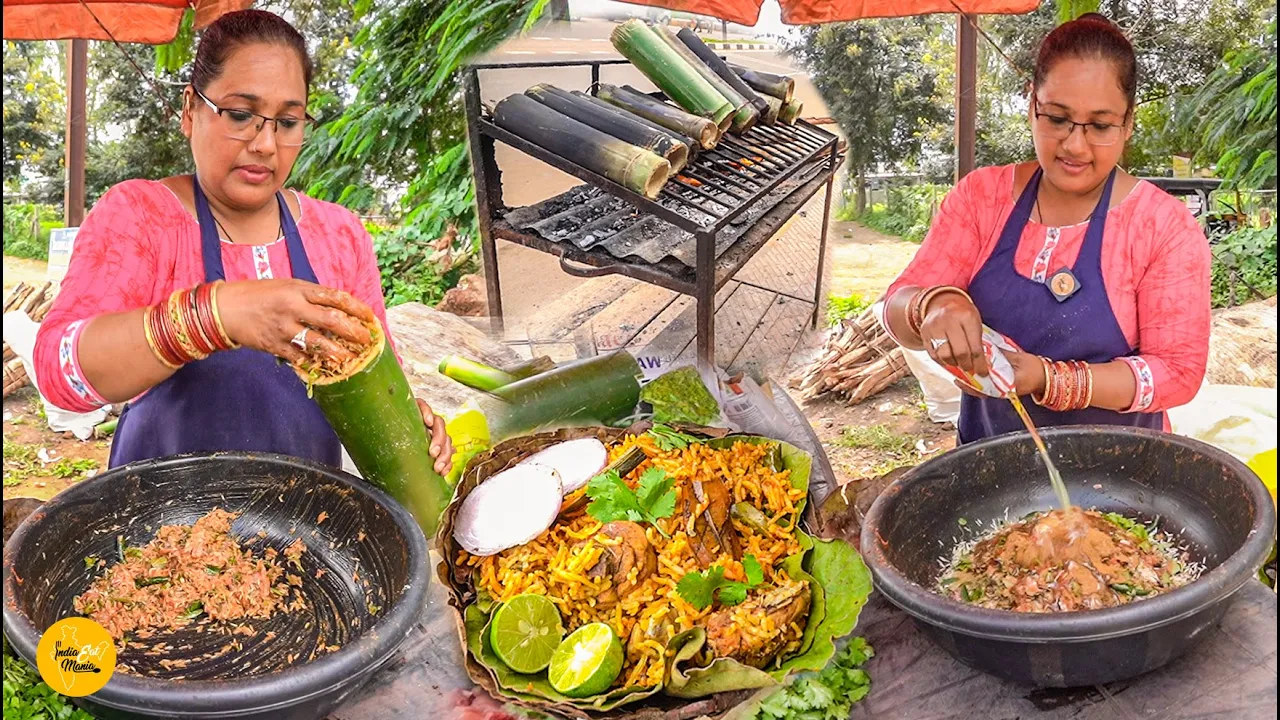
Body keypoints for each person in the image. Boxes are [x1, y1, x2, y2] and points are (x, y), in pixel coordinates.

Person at [34, 10, 453, 473]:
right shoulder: (141, 217)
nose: (266, 145)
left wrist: (406, 423)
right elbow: (61, 374)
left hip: (304, 532)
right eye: (241, 114)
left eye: (288, 122)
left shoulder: (340, 234)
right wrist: (213, 316)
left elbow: (376, 375)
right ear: (191, 111)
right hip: (161, 530)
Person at [883, 14, 1210, 444]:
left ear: (1128, 123)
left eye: (1100, 125)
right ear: (1031, 103)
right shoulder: (982, 198)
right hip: (989, 475)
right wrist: (933, 304)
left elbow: (1178, 372)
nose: (1075, 145)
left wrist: (1050, 380)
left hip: (1121, 481)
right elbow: (896, 307)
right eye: (1057, 118)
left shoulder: (1161, 225)